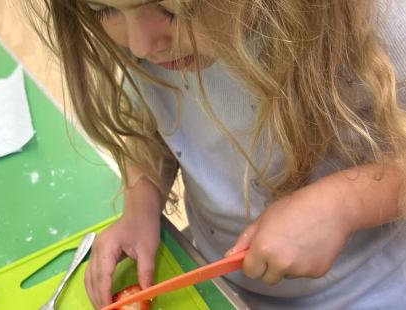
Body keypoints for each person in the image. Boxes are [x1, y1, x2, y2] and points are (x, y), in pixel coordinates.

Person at [24, 0, 406, 308]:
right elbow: (153, 127)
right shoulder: (157, 43)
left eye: (174, 9)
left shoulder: (380, 19)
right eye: (103, 10)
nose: (140, 44)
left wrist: (342, 204)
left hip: (366, 291)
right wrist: (140, 205)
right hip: (213, 279)